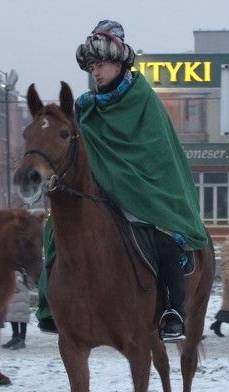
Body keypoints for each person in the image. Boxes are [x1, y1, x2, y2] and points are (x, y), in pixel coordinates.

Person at [36, 20, 208, 342]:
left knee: (162, 235)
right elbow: (84, 151)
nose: (95, 72)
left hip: (145, 189)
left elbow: (155, 154)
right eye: (91, 66)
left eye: (100, 65)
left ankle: (172, 310)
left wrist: (125, 180)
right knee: (54, 232)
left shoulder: (144, 99)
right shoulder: (86, 106)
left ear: (118, 63)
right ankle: (50, 308)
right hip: (100, 192)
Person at [3, 271, 31, 350]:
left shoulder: (25, 269)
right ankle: (15, 337)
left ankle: (22, 339)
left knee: (22, 316)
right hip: (13, 293)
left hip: (22, 293)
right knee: (13, 314)